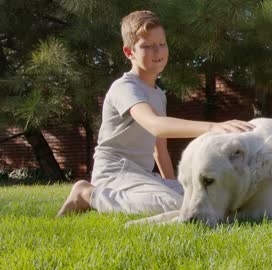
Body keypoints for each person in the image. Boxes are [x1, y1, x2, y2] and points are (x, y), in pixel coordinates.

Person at [57, 10, 254, 216]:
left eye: (162, 44)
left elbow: (159, 149)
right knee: (179, 206)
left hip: (143, 176)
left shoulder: (158, 94)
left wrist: (171, 184)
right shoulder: (125, 87)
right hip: (115, 173)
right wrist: (213, 127)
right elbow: (155, 125)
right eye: (147, 46)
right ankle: (88, 194)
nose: (157, 51)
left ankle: (166, 194)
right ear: (129, 52)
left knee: (203, 196)